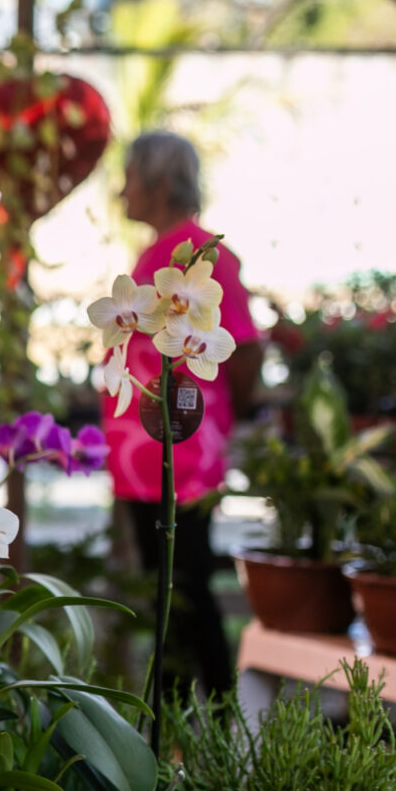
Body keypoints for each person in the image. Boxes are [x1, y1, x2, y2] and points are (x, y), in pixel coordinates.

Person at [103, 131, 262, 698]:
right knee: (167, 596)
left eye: (129, 177)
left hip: (182, 462)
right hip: (146, 464)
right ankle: (173, 728)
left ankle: (218, 720)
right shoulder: (156, 255)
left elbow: (245, 349)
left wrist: (221, 420)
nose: (121, 192)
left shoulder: (199, 256)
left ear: (160, 183)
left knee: (188, 594)